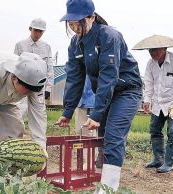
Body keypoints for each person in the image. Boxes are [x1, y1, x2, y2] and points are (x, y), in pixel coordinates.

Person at [56, 0, 143, 192]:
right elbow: (74, 78)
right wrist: (68, 111)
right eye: (70, 23)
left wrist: (96, 114)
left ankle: (107, 189)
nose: (73, 27)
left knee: (113, 137)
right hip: (105, 91)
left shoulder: (109, 36)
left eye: (77, 22)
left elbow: (108, 76)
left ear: (91, 17)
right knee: (104, 138)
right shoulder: (75, 44)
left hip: (126, 90)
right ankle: (105, 181)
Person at [133, 36, 173, 173]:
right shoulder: (150, 64)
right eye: (150, 50)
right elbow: (148, 84)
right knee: (154, 130)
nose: (152, 53)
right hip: (158, 104)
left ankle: (168, 162)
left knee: (172, 132)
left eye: (155, 50)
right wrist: (147, 101)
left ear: (164, 49)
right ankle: (158, 159)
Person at [14, 18, 53, 117]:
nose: (38, 33)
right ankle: (15, 132)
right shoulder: (20, 45)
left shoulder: (46, 47)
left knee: (39, 113)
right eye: (36, 30)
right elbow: (14, 66)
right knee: (19, 111)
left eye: (41, 31)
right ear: (30, 29)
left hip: (39, 86)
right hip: (22, 84)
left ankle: (38, 133)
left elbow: (49, 68)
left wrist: (48, 88)